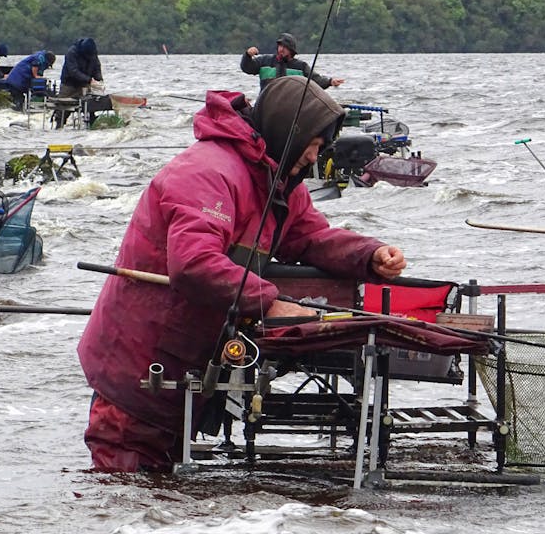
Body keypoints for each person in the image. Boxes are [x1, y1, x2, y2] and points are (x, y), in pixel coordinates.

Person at [77, 75, 406, 472]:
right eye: (314, 145)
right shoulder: (208, 172)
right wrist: (270, 303)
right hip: (141, 361)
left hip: (189, 357)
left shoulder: (278, 180)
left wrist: (369, 256)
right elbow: (194, 262)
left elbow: (310, 236)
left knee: (162, 488)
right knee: (124, 481)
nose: (314, 157)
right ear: (290, 131)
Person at [241, 32, 345, 92]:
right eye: (280, 46)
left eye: (284, 47)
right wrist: (247, 55)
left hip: (290, 107)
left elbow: (315, 80)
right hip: (266, 105)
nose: (281, 49)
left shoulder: (301, 67)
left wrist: (330, 81)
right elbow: (247, 68)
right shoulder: (264, 61)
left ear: (291, 50)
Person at [53, 37, 103, 128]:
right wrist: (89, 80)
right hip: (69, 83)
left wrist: (99, 78)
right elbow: (73, 71)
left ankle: (91, 123)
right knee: (63, 106)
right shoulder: (72, 52)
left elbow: (97, 66)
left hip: (85, 83)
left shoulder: (93, 52)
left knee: (89, 104)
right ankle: (59, 125)